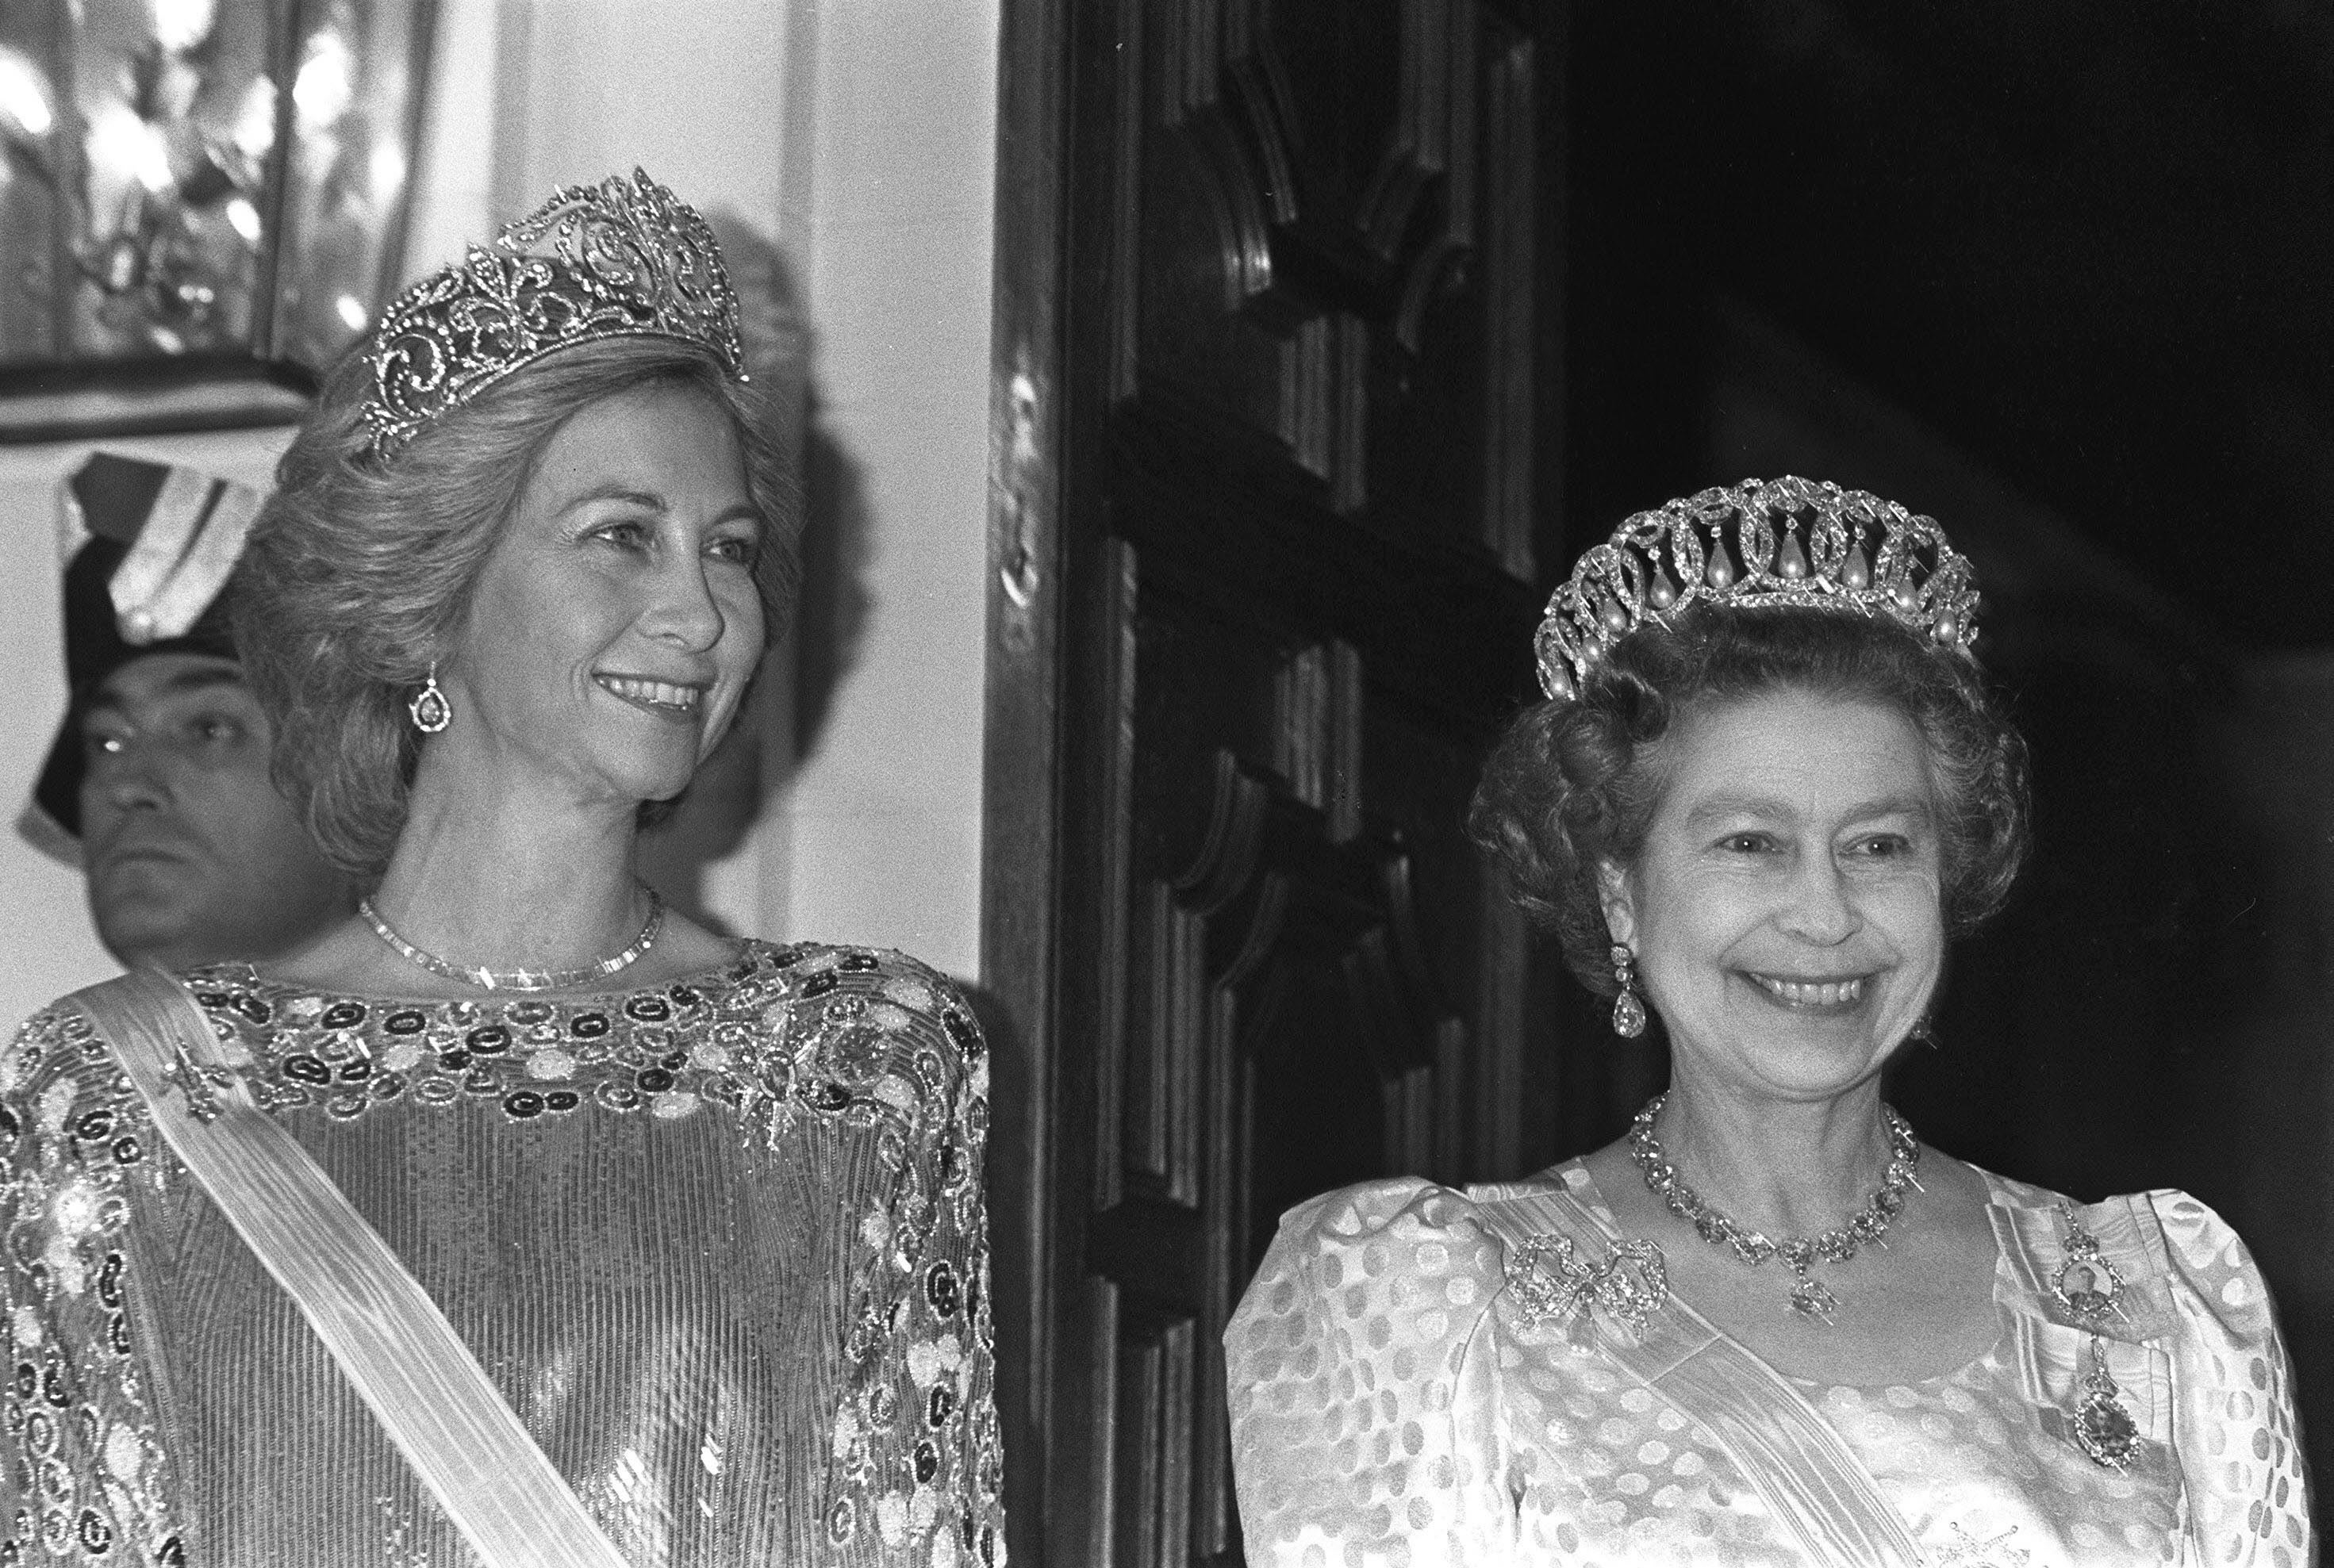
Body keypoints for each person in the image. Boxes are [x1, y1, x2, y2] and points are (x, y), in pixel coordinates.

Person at [0, 171, 1004, 1566]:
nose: (703, 611)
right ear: (428, 600)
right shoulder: (116, 1100)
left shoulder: (854, 1064)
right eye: (621, 537)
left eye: (728, 549)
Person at [1225, 477, 2309, 1566]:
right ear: (1617, 892)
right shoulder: (1434, 1308)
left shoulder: (2151, 1303)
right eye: (1749, 842)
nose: (1825, 914)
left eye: (1878, 845)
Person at [22, 452, 358, 970]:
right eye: (107, 742)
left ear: (352, 781)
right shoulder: (58, 1051)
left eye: (208, 729)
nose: (129, 785)